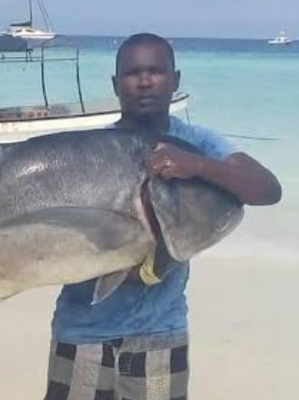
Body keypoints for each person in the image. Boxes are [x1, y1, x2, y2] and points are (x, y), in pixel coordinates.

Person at [43, 33, 282, 400]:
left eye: (155, 71)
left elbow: (266, 189)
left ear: (175, 80)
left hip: (159, 334)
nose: (144, 81)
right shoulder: (87, 152)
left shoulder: (198, 143)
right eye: (132, 72)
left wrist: (198, 165)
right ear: (115, 84)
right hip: (81, 331)